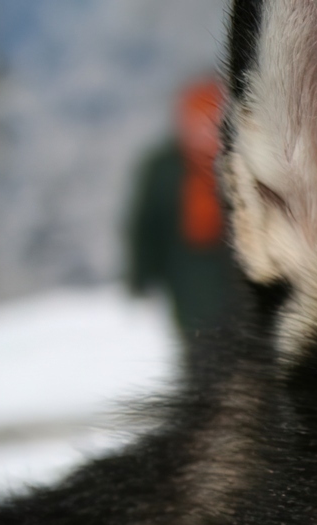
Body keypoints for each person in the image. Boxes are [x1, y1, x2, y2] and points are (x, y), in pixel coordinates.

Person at [125, 78, 237, 349]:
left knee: (203, 349)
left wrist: (141, 275)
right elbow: (148, 226)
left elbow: (146, 226)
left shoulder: (165, 165)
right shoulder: (237, 156)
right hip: (210, 278)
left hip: (197, 281)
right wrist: (141, 274)